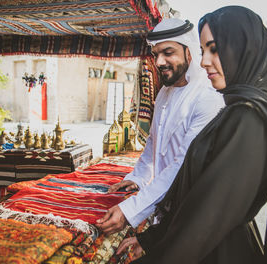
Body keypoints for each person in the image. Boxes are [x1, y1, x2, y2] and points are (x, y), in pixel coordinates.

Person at [116, 6, 267, 264]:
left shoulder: (247, 117)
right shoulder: (236, 109)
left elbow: (206, 219)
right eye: (203, 51)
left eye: (215, 49)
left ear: (243, 50)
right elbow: (196, 198)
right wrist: (149, 239)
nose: (204, 61)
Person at [96, 18, 224, 235]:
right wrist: (137, 178)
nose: (160, 62)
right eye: (156, 55)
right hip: (165, 205)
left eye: (168, 52)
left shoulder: (207, 97)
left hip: (193, 213)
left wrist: (130, 210)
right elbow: (153, 144)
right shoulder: (165, 92)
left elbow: (180, 165)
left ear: (189, 53)